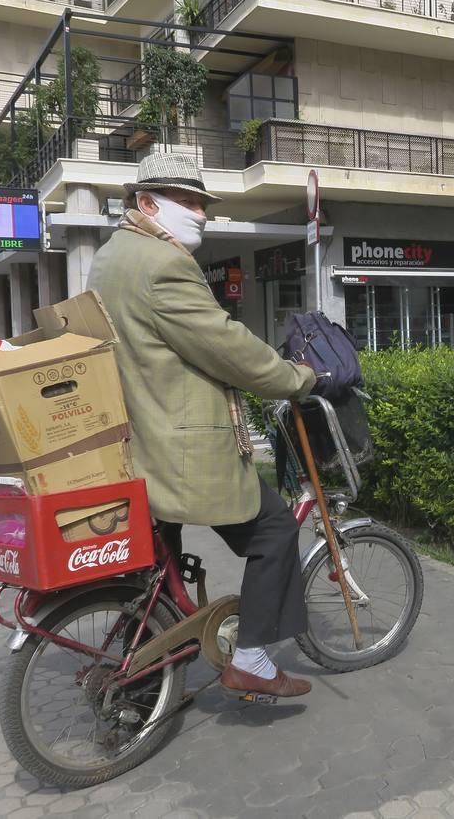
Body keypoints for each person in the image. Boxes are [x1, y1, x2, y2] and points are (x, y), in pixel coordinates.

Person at [87, 153, 317, 698]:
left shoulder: (110, 256)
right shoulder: (163, 265)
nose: (200, 213)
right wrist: (296, 378)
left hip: (136, 440)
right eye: (187, 202)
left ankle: (142, 685)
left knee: (156, 571)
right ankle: (254, 661)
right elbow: (224, 344)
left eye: (202, 203)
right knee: (275, 528)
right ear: (145, 203)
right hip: (179, 449)